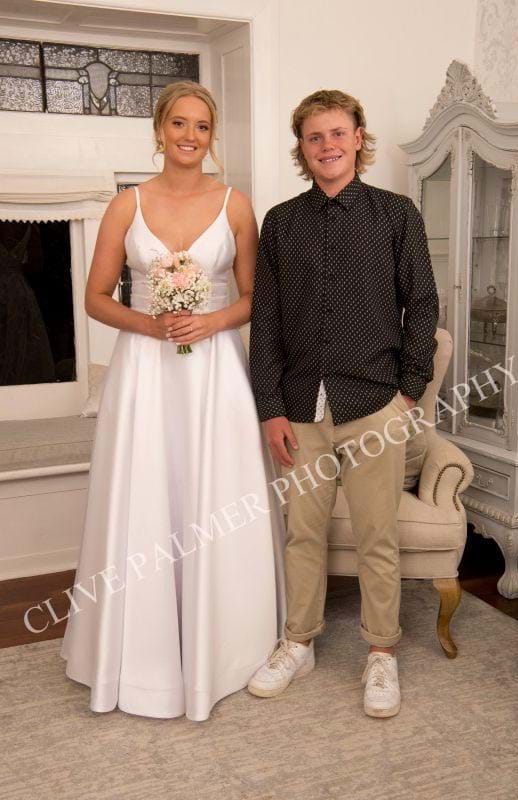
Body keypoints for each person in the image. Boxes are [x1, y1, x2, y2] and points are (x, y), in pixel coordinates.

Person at [60, 80, 285, 721]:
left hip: (215, 372)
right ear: (159, 130)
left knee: (217, 493)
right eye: (179, 124)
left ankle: (226, 649)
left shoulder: (236, 205)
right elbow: (95, 297)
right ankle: (138, 659)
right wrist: (150, 324)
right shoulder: (125, 205)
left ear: (212, 138)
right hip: (144, 373)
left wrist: (209, 322)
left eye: (202, 127)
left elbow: (256, 298)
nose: (190, 136)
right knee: (146, 489)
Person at [247, 89, 438, 718]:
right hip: (301, 409)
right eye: (314, 137)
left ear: (358, 138)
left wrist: (408, 391)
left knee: (378, 535)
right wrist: (271, 407)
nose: (327, 145)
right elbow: (266, 322)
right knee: (302, 532)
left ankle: (380, 653)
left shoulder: (396, 214)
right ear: (302, 148)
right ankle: (298, 643)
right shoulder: (281, 222)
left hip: (375, 404)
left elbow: (422, 305)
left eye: (337, 133)